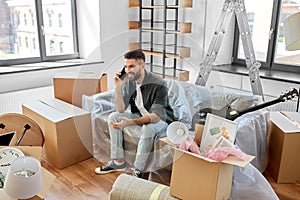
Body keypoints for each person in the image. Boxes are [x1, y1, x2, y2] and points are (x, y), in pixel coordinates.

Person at [94, 49, 176, 178]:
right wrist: (118, 87)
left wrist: (130, 122)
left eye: (131, 66)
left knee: (148, 128)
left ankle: (138, 170)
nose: (128, 70)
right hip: (140, 114)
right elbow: (120, 110)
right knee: (113, 117)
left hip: (161, 119)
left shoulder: (158, 83)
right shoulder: (129, 81)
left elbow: (155, 117)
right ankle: (118, 162)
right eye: (126, 66)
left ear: (142, 65)